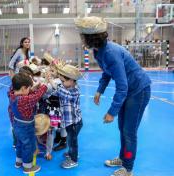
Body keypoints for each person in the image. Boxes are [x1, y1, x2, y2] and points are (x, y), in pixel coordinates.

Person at [75, 16, 151, 176]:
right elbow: (107, 72)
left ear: (90, 37)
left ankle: (128, 168)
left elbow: (122, 86)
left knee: (129, 132)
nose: (81, 38)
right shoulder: (98, 50)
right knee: (123, 128)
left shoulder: (110, 53)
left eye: (83, 35)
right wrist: (99, 90)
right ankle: (124, 158)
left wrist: (112, 112)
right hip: (129, 91)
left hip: (138, 91)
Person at [9, 72, 47, 174]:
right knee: (27, 145)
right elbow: (37, 96)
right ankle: (27, 166)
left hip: (17, 124)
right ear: (23, 89)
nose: (30, 90)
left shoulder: (12, 94)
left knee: (19, 144)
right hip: (26, 126)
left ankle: (18, 161)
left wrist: (32, 89)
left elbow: (29, 94)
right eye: (28, 88)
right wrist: (44, 85)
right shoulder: (24, 100)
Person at [47, 64, 83, 169]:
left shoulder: (74, 91)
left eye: (63, 81)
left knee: (72, 141)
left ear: (72, 80)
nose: (62, 83)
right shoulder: (66, 87)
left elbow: (63, 93)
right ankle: (72, 152)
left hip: (74, 123)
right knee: (71, 140)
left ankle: (73, 159)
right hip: (69, 122)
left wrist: (52, 82)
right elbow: (57, 92)